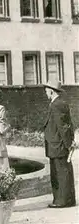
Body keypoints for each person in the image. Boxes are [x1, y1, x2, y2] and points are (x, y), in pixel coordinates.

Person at [43, 80, 76, 208]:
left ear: (51, 91)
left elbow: (63, 126)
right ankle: (66, 199)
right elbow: (67, 124)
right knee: (62, 172)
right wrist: (70, 141)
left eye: (46, 91)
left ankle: (62, 201)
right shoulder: (60, 103)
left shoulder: (55, 105)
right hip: (58, 144)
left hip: (57, 145)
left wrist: (68, 144)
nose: (45, 93)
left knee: (60, 173)